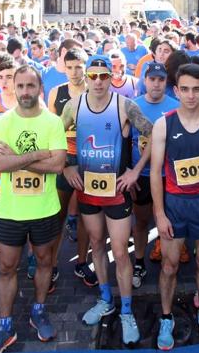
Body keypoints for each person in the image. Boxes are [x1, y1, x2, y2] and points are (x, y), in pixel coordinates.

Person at [60, 55, 153, 346]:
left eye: (104, 75)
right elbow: (54, 136)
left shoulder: (124, 105)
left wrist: (135, 171)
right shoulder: (72, 105)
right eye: (93, 75)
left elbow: (153, 133)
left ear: (111, 77)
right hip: (87, 189)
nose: (99, 81)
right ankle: (105, 299)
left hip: (116, 191)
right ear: (86, 77)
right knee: (97, 244)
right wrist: (66, 165)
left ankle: (126, 310)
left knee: (121, 253)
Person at [0, 65, 66, 353]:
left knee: (44, 262)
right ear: (13, 89)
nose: (26, 92)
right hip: (10, 211)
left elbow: (57, 165)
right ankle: (4, 325)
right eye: (21, 87)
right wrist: (38, 154)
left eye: (31, 86)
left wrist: (17, 158)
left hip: (44, 209)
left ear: (39, 88)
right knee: (6, 267)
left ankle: (38, 310)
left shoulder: (52, 122)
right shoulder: (3, 122)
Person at [150, 63, 199, 349]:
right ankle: (166, 317)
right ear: (176, 90)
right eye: (185, 89)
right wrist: (159, 214)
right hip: (175, 204)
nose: (191, 95)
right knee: (169, 265)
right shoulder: (164, 124)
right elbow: (157, 172)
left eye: (196, 89)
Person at [47, 47, 97, 288]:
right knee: (58, 215)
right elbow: (51, 132)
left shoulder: (95, 91)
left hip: (90, 161)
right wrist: (64, 164)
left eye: (79, 66)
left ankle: (82, 262)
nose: (75, 72)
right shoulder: (57, 93)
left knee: (88, 216)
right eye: (70, 67)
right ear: (63, 68)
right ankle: (52, 264)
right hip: (65, 160)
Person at [131, 63, 179, 289]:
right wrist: (127, 172)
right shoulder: (133, 106)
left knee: (167, 221)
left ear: (166, 82)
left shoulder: (175, 107)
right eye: (152, 79)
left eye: (161, 79)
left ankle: (169, 265)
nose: (157, 83)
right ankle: (139, 261)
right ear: (145, 81)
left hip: (167, 175)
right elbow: (123, 140)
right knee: (141, 221)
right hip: (140, 175)